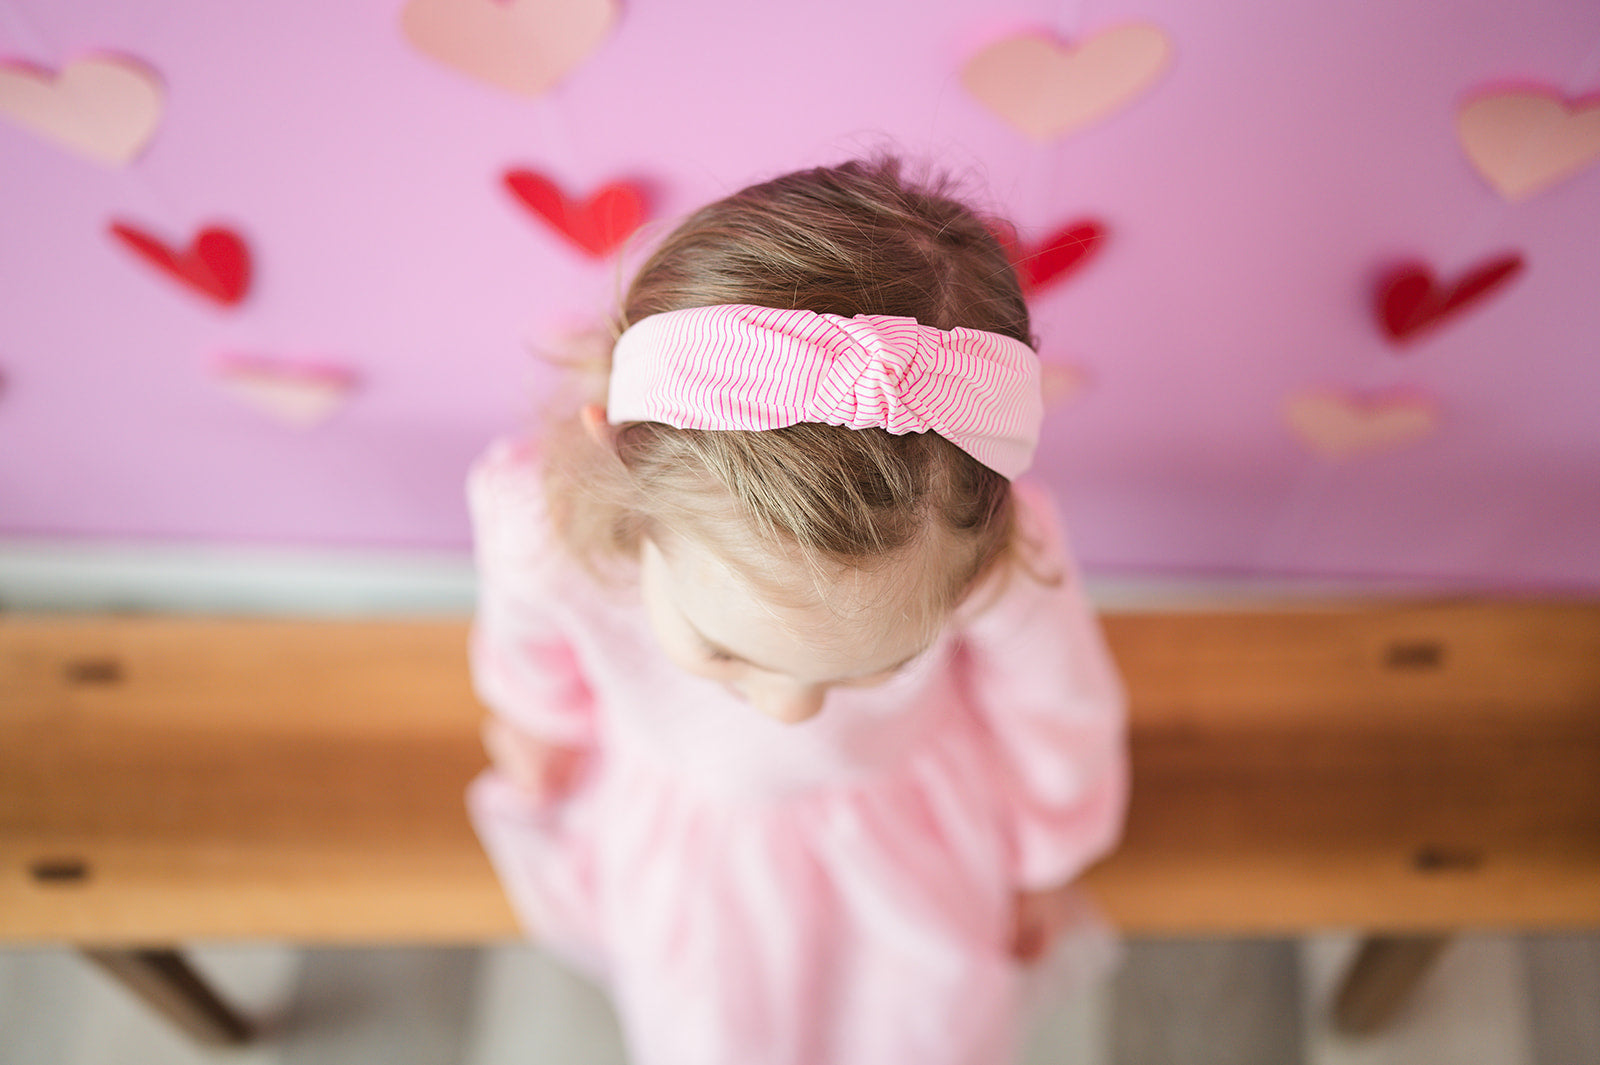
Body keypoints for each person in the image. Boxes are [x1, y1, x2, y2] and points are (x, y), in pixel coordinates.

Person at [465, 157, 1128, 1065]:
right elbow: (531, 640)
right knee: (717, 1028)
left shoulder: (998, 558)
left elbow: (1058, 711)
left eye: (878, 665)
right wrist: (541, 725)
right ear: (617, 468)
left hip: (904, 841)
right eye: (725, 650)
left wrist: (1044, 853)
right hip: (694, 845)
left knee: (921, 1026)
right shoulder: (550, 526)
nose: (791, 708)